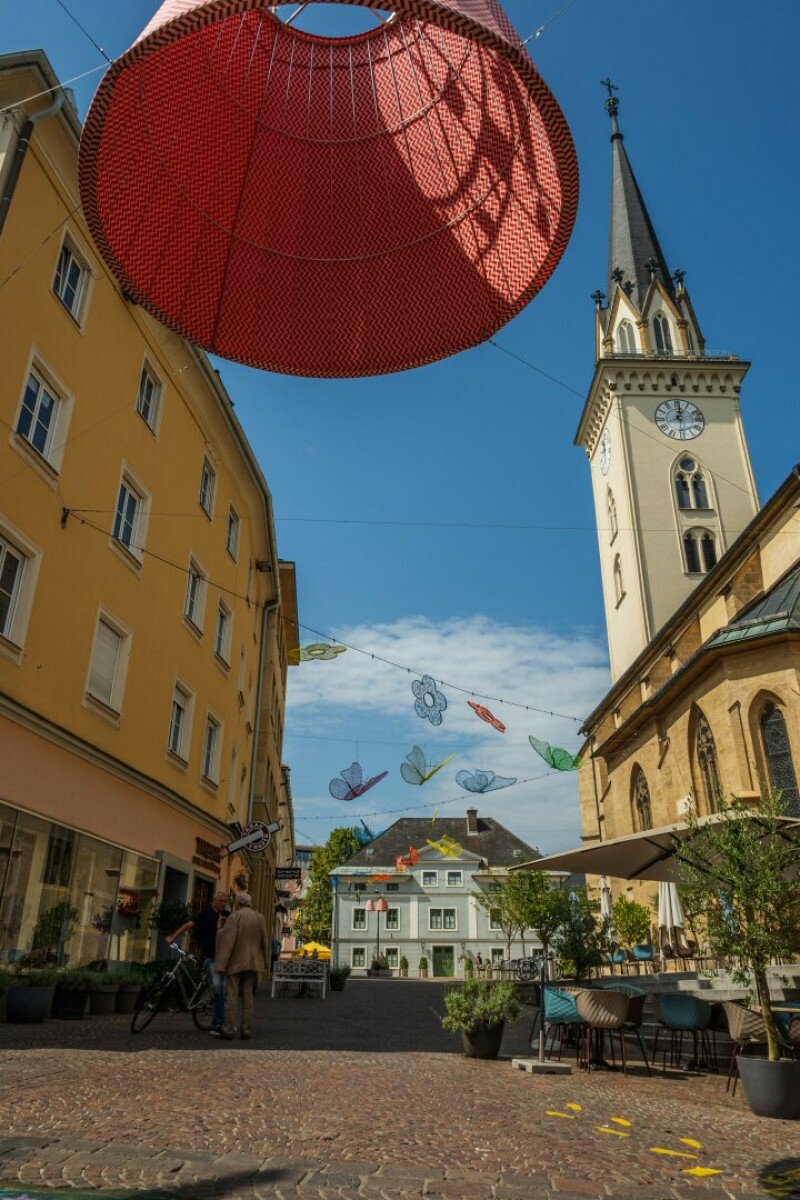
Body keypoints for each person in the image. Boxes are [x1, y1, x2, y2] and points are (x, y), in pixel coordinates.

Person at [166, 892, 229, 1037]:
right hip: (210, 957)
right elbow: (189, 925)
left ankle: (212, 1015)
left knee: (219, 991)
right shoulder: (206, 914)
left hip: (222, 958)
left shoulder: (227, 917)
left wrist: (223, 923)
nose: (223, 903)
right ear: (214, 901)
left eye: (225, 901)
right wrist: (173, 937)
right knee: (219, 990)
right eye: (221, 901)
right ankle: (216, 1026)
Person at [215, 892, 269, 1040]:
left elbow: (228, 942)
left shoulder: (235, 916)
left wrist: (221, 964)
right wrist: (265, 962)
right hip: (252, 963)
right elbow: (265, 941)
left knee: (231, 995)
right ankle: (246, 1030)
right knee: (248, 996)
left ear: (238, 902)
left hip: (235, 962)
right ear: (250, 903)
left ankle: (229, 1029)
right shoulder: (259, 917)